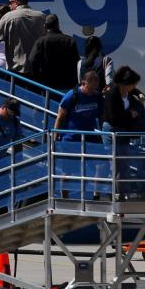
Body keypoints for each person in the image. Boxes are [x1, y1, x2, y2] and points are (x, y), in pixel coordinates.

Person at [55, 69, 106, 198]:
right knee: (68, 170)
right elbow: (60, 117)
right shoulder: (72, 96)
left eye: (95, 88)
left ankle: (96, 196)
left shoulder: (97, 96)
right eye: (90, 88)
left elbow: (101, 115)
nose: (92, 91)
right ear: (83, 83)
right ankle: (64, 197)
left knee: (101, 164)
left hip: (90, 136)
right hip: (71, 138)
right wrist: (55, 139)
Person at [102, 66, 145, 197]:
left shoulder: (128, 92)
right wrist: (130, 114)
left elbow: (136, 91)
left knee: (123, 164)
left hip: (123, 131)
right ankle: (112, 194)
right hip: (112, 131)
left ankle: (121, 194)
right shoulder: (112, 94)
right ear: (126, 83)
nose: (135, 86)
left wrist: (139, 95)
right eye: (133, 84)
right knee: (114, 164)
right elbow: (113, 117)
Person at [0, 0, 45, 75]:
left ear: (16, 3)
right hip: (37, 68)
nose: (9, 6)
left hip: (17, 69)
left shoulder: (8, 17)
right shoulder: (41, 16)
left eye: (10, 3)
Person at [26, 13, 80, 92]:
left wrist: (38, 78)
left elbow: (32, 61)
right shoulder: (70, 40)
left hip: (47, 84)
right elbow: (76, 62)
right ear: (58, 25)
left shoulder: (40, 41)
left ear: (45, 25)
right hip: (67, 83)